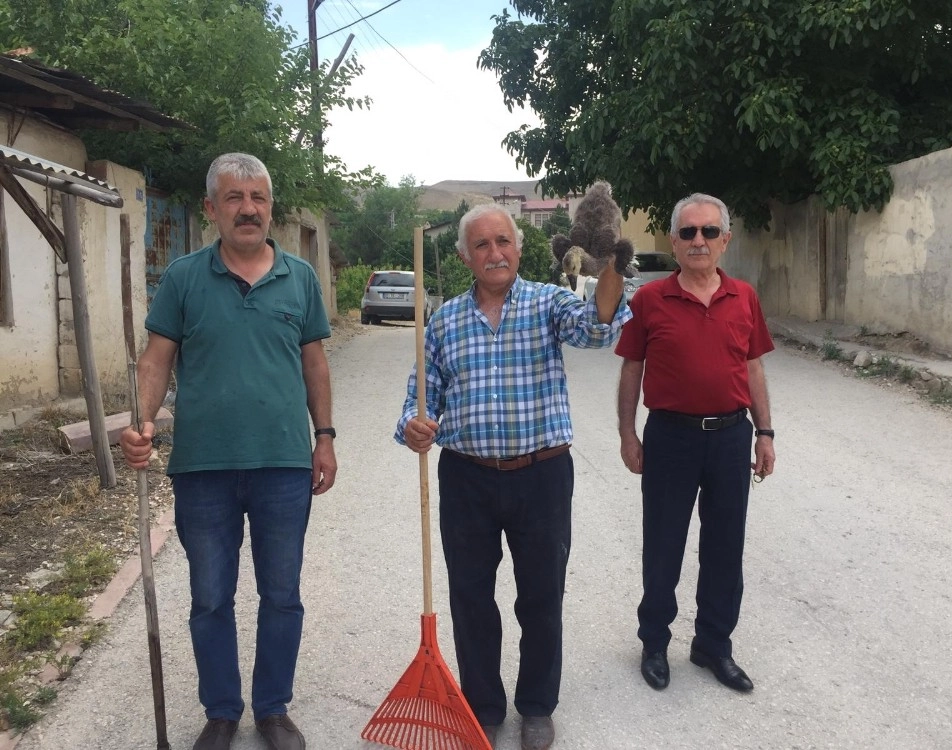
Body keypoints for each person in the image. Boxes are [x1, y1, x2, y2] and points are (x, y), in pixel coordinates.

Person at [120, 153, 337, 750]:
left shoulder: (300, 278)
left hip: (284, 464)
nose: (248, 208)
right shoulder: (184, 277)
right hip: (203, 467)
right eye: (235, 198)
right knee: (210, 594)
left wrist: (325, 437)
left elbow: (314, 362)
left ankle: (272, 709)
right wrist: (142, 423)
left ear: (270, 207)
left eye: (259, 198)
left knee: (282, 592)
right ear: (212, 209)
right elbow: (156, 359)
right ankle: (221, 710)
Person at [395, 203, 631, 750]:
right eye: (482, 245)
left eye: (503, 241)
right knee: (472, 598)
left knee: (541, 597)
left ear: (519, 249)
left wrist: (612, 263)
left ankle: (536, 706)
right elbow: (419, 395)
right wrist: (414, 425)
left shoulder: (549, 303)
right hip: (466, 477)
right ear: (463, 256)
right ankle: (484, 705)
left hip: (541, 476)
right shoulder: (444, 320)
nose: (495, 252)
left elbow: (599, 328)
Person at [615, 193, 775, 695]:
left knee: (726, 547)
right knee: (663, 544)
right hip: (670, 438)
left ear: (725, 239)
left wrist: (765, 432)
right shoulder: (649, 300)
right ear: (674, 241)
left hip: (731, 437)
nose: (698, 241)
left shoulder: (744, 298)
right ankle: (655, 642)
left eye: (708, 232)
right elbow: (631, 368)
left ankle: (713, 645)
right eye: (688, 232)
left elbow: (753, 367)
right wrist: (627, 432)